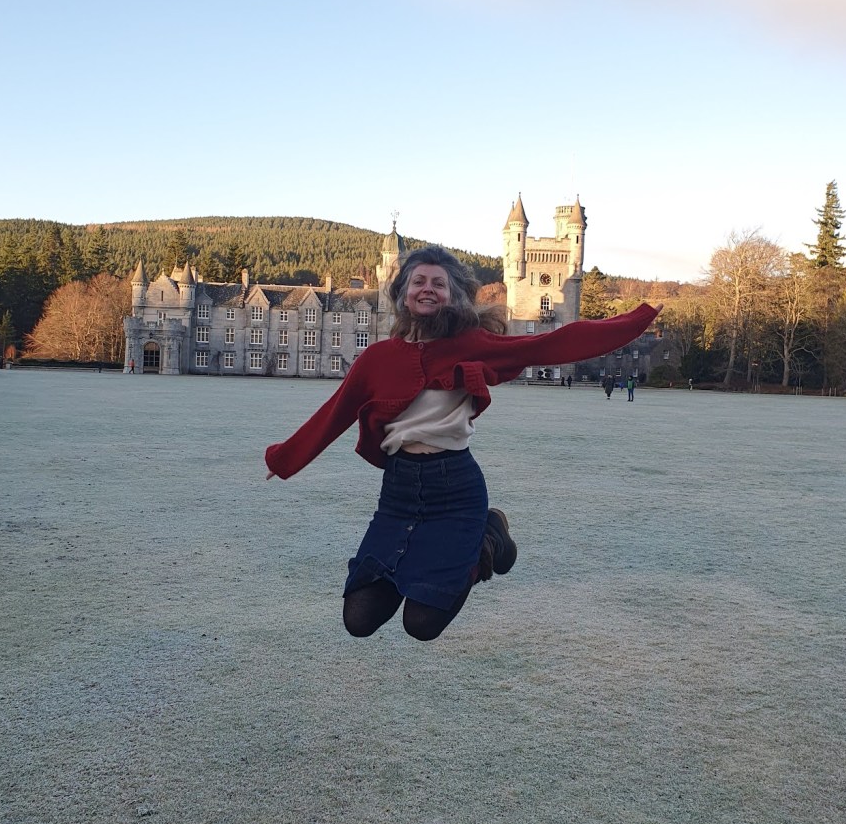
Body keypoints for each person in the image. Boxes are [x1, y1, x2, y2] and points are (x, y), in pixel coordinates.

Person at [265, 245, 660, 642]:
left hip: (454, 488)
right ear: (402, 291)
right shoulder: (378, 358)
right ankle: (461, 546)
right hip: (399, 493)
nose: (428, 289)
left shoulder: (473, 344)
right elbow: (335, 412)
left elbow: (553, 344)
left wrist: (636, 320)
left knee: (421, 625)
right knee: (359, 619)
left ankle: (488, 538)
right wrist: (285, 459)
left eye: (439, 283)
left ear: (453, 293)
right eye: (418, 281)